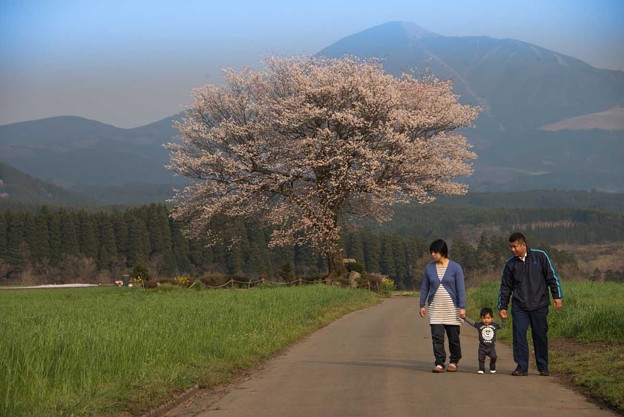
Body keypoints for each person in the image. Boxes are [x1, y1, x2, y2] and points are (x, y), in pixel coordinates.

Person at [498, 232, 563, 376]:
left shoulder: (540, 257)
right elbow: (505, 287)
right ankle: (522, 366)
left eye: (515, 247)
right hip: (519, 307)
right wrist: (502, 306)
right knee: (519, 336)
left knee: (540, 336)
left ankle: (543, 366)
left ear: (523, 245)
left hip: (539, 305)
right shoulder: (510, 264)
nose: (512, 250)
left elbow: (552, 277)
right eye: (510, 247)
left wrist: (557, 296)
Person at [420, 239, 466, 373]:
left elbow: (461, 288)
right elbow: (424, 288)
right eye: (431, 252)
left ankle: (454, 361)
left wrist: (462, 306)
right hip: (435, 308)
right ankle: (439, 362)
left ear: (443, 252)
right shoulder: (429, 268)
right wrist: (422, 304)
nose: (433, 254)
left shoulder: (455, 267)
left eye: (435, 252)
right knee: (437, 337)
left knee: (454, 338)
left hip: (452, 308)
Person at [464, 307, 505, 374]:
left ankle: (492, 367)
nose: (486, 320)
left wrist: (503, 319)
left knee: (494, 357)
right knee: (481, 359)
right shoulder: (479, 325)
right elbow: (471, 322)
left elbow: (501, 325)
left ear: (492, 318)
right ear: (481, 318)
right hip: (482, 347)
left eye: (488, 318)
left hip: (491, 347)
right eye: (484, 318)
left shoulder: (494, 325)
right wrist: (464, 317)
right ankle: (481, 369)